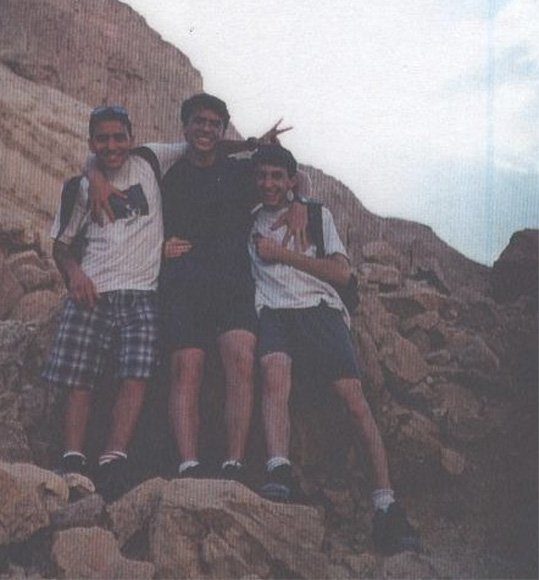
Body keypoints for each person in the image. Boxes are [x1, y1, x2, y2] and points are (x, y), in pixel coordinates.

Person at [248, 144, 419, 555]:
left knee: (352, 396)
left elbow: (342, 273)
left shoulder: (315, 215)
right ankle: (279, 470)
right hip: (274, 311)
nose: (269, 184)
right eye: (263, 175)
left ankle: (385, 503)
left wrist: (283, 252)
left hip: (319, 309)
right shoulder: (248, 219)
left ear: (290, 180)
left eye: (278, 176)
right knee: (274, 375)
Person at [42, 105, 188, 502]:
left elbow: (202, 143)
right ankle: (73, 457)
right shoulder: (80, 187)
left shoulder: (151, 161)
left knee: (135, 373)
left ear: (132, 138)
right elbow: (61, 246)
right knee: (79, 376)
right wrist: (74, 274)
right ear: (91, 143)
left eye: (119, 137)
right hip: (94, 288)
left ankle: (113, 457)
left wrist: (254, 145)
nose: (111, 146)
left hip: (142, 291)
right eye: (102, 139)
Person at [160, 93, 309, 481]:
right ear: (185, 126)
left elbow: (294, 178)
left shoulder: (241, 172)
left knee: (242, 362)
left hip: (232, 283)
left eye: (214, 123)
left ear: (223, 130)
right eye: (199, 121)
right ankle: (188, 464)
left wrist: (299, 203)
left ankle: (234, 463)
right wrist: (160, 247)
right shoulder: (171, 176)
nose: (206, 129)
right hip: (185, 283)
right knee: (185, 369)